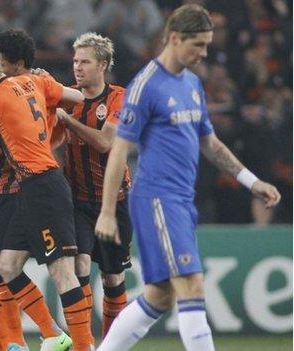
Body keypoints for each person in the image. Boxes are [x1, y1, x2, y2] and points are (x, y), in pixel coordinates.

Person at [94, 5, 281, 351]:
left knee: (160, 295)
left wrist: (251, 181)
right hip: (156, 199)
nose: (204, 53)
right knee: (192, 285)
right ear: (175, 38)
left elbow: (209, 143)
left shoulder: (193, 83)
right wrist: (107, 211)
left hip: (181, 200)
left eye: (207, 45)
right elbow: (119, 150)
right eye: (198, 45)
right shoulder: (145, 85)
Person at [0, 47, 91, 351]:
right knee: (5, 265)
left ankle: (85, 346)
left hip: (43, 186)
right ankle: (54, 334)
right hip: (29, 189)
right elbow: (77, 98)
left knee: (61, 271)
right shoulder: (34, 81)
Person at [56, 32, 132, 342]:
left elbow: (105, 142)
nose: (78, 67)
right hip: (77, 201)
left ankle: (111, 344)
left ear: (102, 65)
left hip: (114, 203)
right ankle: (83, 342)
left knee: (113, 277)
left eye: (85, 61)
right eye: (75, 61)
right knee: (79, 263)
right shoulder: (68, 96)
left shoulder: (119, 97)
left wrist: (69, 122)